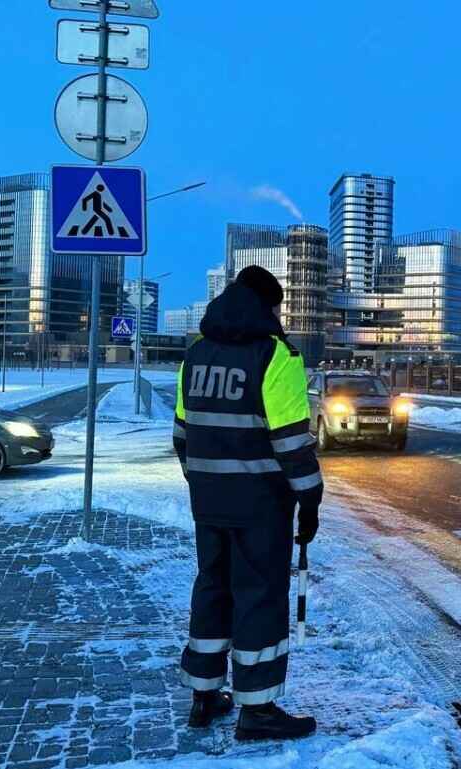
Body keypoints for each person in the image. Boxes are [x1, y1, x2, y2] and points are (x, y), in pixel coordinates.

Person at [173, 265, 322, 741]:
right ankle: (257, 709)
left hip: (208, 501)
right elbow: (291, 442)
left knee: (212, 586)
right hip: (261, 505)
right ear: (269, 306)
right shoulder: (276, 355)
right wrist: (310, 498)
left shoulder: (196, 354)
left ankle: (203, 695)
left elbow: (182, 434)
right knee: (259, 595)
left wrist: (203, 482)